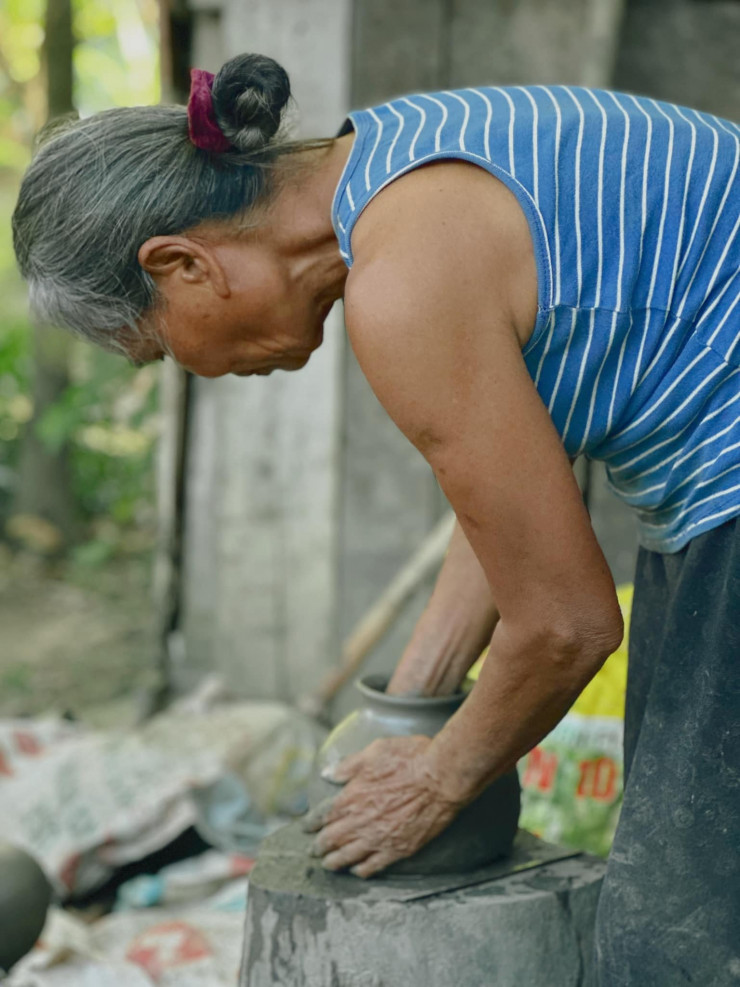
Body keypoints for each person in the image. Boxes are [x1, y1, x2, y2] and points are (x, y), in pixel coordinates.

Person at [12, 53, 740, 985]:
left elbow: (566, 621)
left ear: (182, 264)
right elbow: (524, 505)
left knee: (677, 945)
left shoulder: (403, 279)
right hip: (706, 485)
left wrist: (441, 779)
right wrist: (420, 698)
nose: (186, 369)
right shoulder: (394, 165)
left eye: (156, 347)